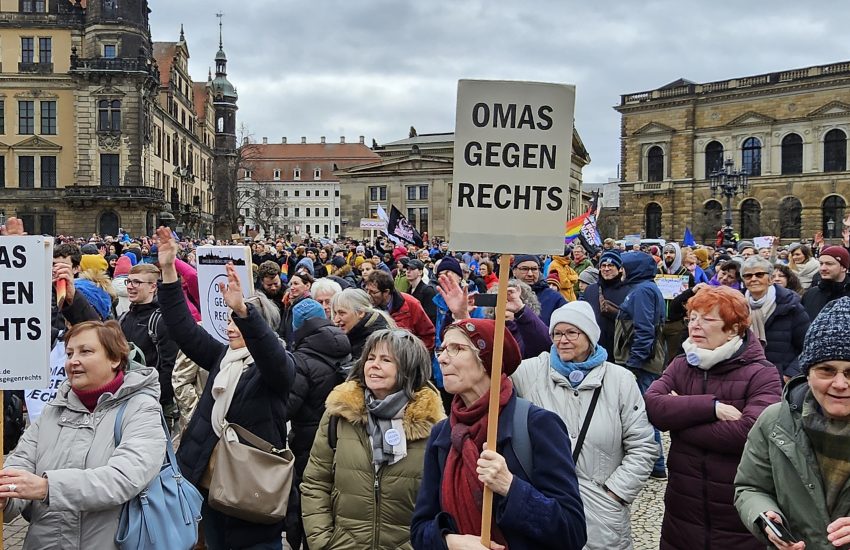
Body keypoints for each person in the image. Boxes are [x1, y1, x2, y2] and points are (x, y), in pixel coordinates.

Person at [155, 227, 295, 550]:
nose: (230, 326)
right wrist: (168, 271)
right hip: (209, 485)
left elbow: (273, 360)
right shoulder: (224, 357)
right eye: (231, 320)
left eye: (239, 322)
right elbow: (184, 330)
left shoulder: (276, 368)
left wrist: (246, 312)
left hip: (251, 493)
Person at [410, 318, 587, 549]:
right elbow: (419, 529)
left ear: (487, 361)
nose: (442, 358)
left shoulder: (538, 425)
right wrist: (450, 542)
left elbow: (571, 531)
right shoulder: (443, 434)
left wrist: (511, 487)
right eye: (442, 349)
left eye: (456, 349)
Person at [1, 320, 167, 550]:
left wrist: (48, 488)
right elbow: (21, 464)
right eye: (69, 353)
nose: (73, 361)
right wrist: (7, 496)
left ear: (115, 359)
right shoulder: (53, 410)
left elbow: (123, 478)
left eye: (85, 351)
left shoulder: (141, 409)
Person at [645, 286, 782, 550]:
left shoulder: (761, 373)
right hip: (682, 512)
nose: (695, 325)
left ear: (733, 328)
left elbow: (750, 433)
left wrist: (680, 422)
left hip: (736, 515)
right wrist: (710, 408)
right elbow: (653, 406)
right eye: (693, 318)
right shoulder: (682, 364)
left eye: (707, 319)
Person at [512, 302, 657, 549]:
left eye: (572, 333)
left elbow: (643, 445)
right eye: (557, 333)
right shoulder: (532, 372)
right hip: (546, 504)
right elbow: (494, 366)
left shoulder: (619, 380)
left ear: (589, 336)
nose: (563, 340)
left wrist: (615, 494)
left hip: (602, 512)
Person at [301, 329, 444, 549]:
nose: (374, 365)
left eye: (386, 360)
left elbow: (442, 499)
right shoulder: (339, 414)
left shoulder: (433, 424)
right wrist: (322, 542)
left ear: (408, 370)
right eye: (370, 358)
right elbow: (315, 482)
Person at [735, 297, 850, 549]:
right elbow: (750, 487)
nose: (840, 384)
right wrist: (765, 517)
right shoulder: (775, 421)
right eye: (827, 370)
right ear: (807, 373)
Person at [285, 298, 352, 550]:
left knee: (310, 502)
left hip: (308, 442)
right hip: (342, 436)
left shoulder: (302, 359)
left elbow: (288, 407)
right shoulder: (343, 344)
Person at [616, 251, 667, 478]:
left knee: (642, 413)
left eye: (624, 267)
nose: (620, 271)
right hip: (640, 360)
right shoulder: (643, 288)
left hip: (641, 364)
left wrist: (634, 364)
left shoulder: (643, 290)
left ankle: (655, 465)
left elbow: (644, 330)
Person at [119, 263, 180, 430]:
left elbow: (169, 366)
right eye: (129, 281)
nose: (130, 287)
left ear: (153, 286)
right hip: (125, 398)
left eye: (137, 282)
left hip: (154, 403)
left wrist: (157, 398)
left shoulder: (162, 320)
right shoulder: (124, 318)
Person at [741, 257, 810, 380]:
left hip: (780, 379)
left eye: (759, 274)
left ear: (771, 279)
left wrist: (791, 373)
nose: (753, 279)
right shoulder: (736, 305)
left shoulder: (791, 306)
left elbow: (808, 346)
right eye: (748, 276)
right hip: (746, 377)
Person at [365, 269, 435, 351]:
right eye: (367, 290)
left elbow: (428, 336)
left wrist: (413, 356)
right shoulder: (368, 307)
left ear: (386, 292)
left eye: (373, 292)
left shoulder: (412, 304)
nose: (368, 295)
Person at [582, 249, 628, 359]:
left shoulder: (628, 291)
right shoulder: (590, 290)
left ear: (619, 269)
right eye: (603, 265)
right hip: (595, 348)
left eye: (611, 265)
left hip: (619, 349)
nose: (606, 269)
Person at [331, 288, 393, 361]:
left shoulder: (376, 340)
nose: (336, 319)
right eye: (335, 313)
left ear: (361, 313)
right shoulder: (357, 334)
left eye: (342, 313)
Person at [513, 254, 566, 325]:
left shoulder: (554, 298)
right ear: (514, 271)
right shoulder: (506, 294)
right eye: (524, 269)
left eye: (534, 269)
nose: (530, 274)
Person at [801, 245, 850, 321]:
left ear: (843, 267)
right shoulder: (810, 294)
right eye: (821, 263)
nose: (823, 268)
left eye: (829, 264)